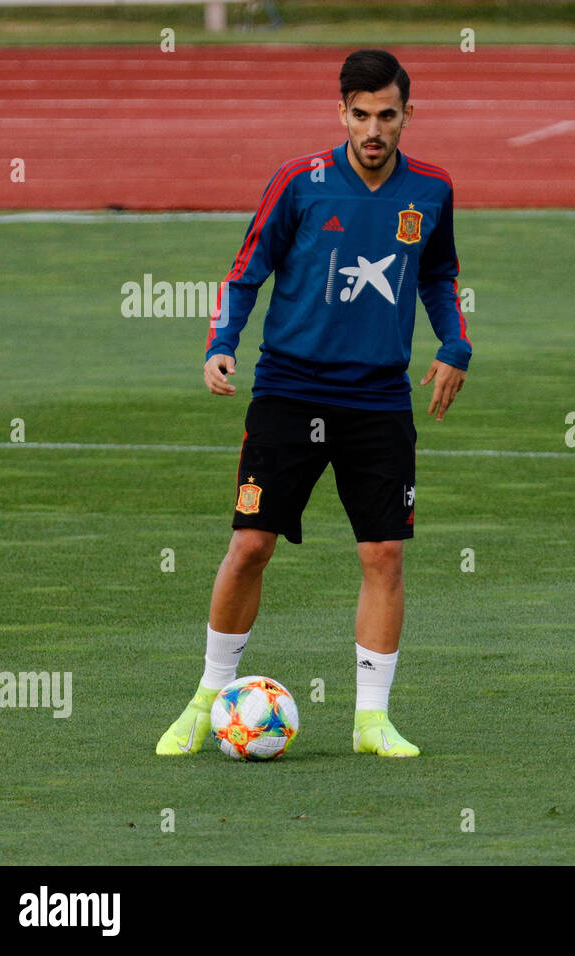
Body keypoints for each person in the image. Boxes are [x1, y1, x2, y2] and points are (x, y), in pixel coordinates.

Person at [156, 48, 471, 758]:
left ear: (406, 116)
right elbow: (245, 272)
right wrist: (220, 341)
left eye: (387, 115)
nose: (373, 129)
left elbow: (440, 273)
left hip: (380, 399)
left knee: (384, 552)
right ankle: (207, 698)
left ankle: (371, 721)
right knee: (250, 545)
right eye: (360, 115)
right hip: (290, 392)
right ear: (342, 113)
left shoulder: (432, 190)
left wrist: (454, 344)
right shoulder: (300, 183)